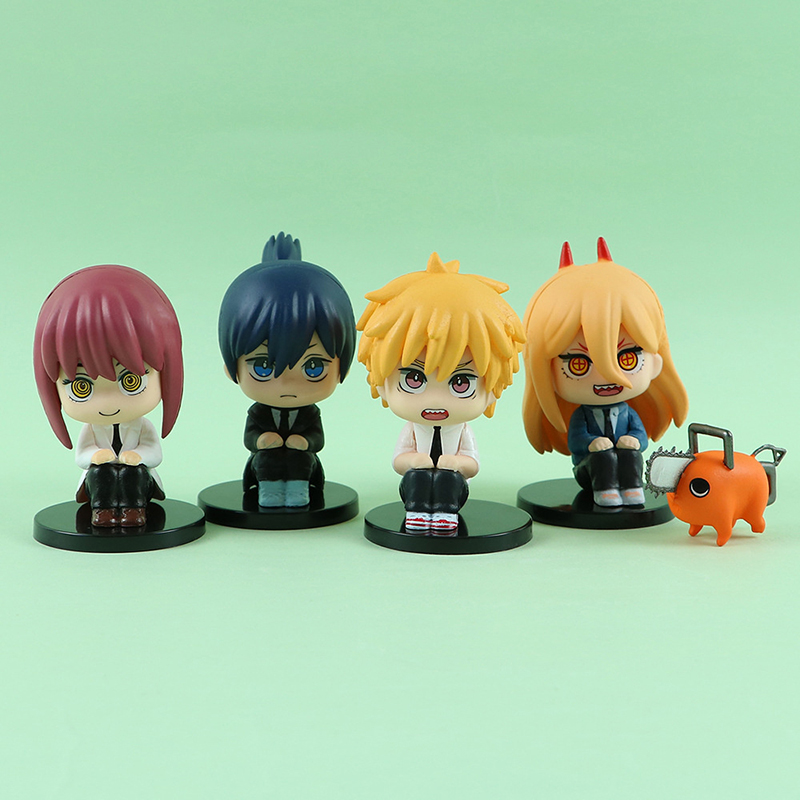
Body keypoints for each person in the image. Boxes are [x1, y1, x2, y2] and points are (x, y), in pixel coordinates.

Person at [357, 251, 525, 533]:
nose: (435, 400)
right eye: (413, 379)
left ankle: (446, 514)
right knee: (417, 477)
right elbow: (399, 460)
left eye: (461, 383)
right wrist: (413, 461)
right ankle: (417, 512)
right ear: (382, 382)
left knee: (449, 479)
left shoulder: (461, 431)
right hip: (414, 485)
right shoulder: (413, 430)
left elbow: (472, 464)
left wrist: (457, 463)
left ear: (492, 389)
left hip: (454, 488)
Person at [521, 237, 688, 506]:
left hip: (624, 465)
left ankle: (632, 488)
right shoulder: (583, 416)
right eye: (578, 364)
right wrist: (591, 443)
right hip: (590, 470)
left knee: (631, 454)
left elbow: (639, 436)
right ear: (546, 372)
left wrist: (634, 440)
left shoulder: (627, 413)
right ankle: (605, 492)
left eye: (628, 359)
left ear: (655, 363)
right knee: (603, 456)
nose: (606, 376)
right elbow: (576, 440)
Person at [34, 265, 184, 527]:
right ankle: (102, 511)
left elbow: (154, 452)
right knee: (99, 474)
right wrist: (95, 457)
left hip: (137, 477)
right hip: (100, 478)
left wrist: (139, 457)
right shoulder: (91, 430)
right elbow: (82, 456)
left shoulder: (142, 427)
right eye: (82, 386)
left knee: (134, 475)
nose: (108, 402)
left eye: (130, 380)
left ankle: (134, 510)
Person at [218, 232, 356, 507]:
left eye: (314, 367)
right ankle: (269, 493)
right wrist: (261, 440)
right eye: (263, 367)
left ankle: (298, 492)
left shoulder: (309, 413)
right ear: (231, 368)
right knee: (266, 461)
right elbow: (250, 437)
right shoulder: (258, 412)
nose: (287, 383)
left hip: (301, 461)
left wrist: (305, 443)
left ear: (343, 367)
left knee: (301, 461)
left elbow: (317, 438)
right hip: (266, 461)